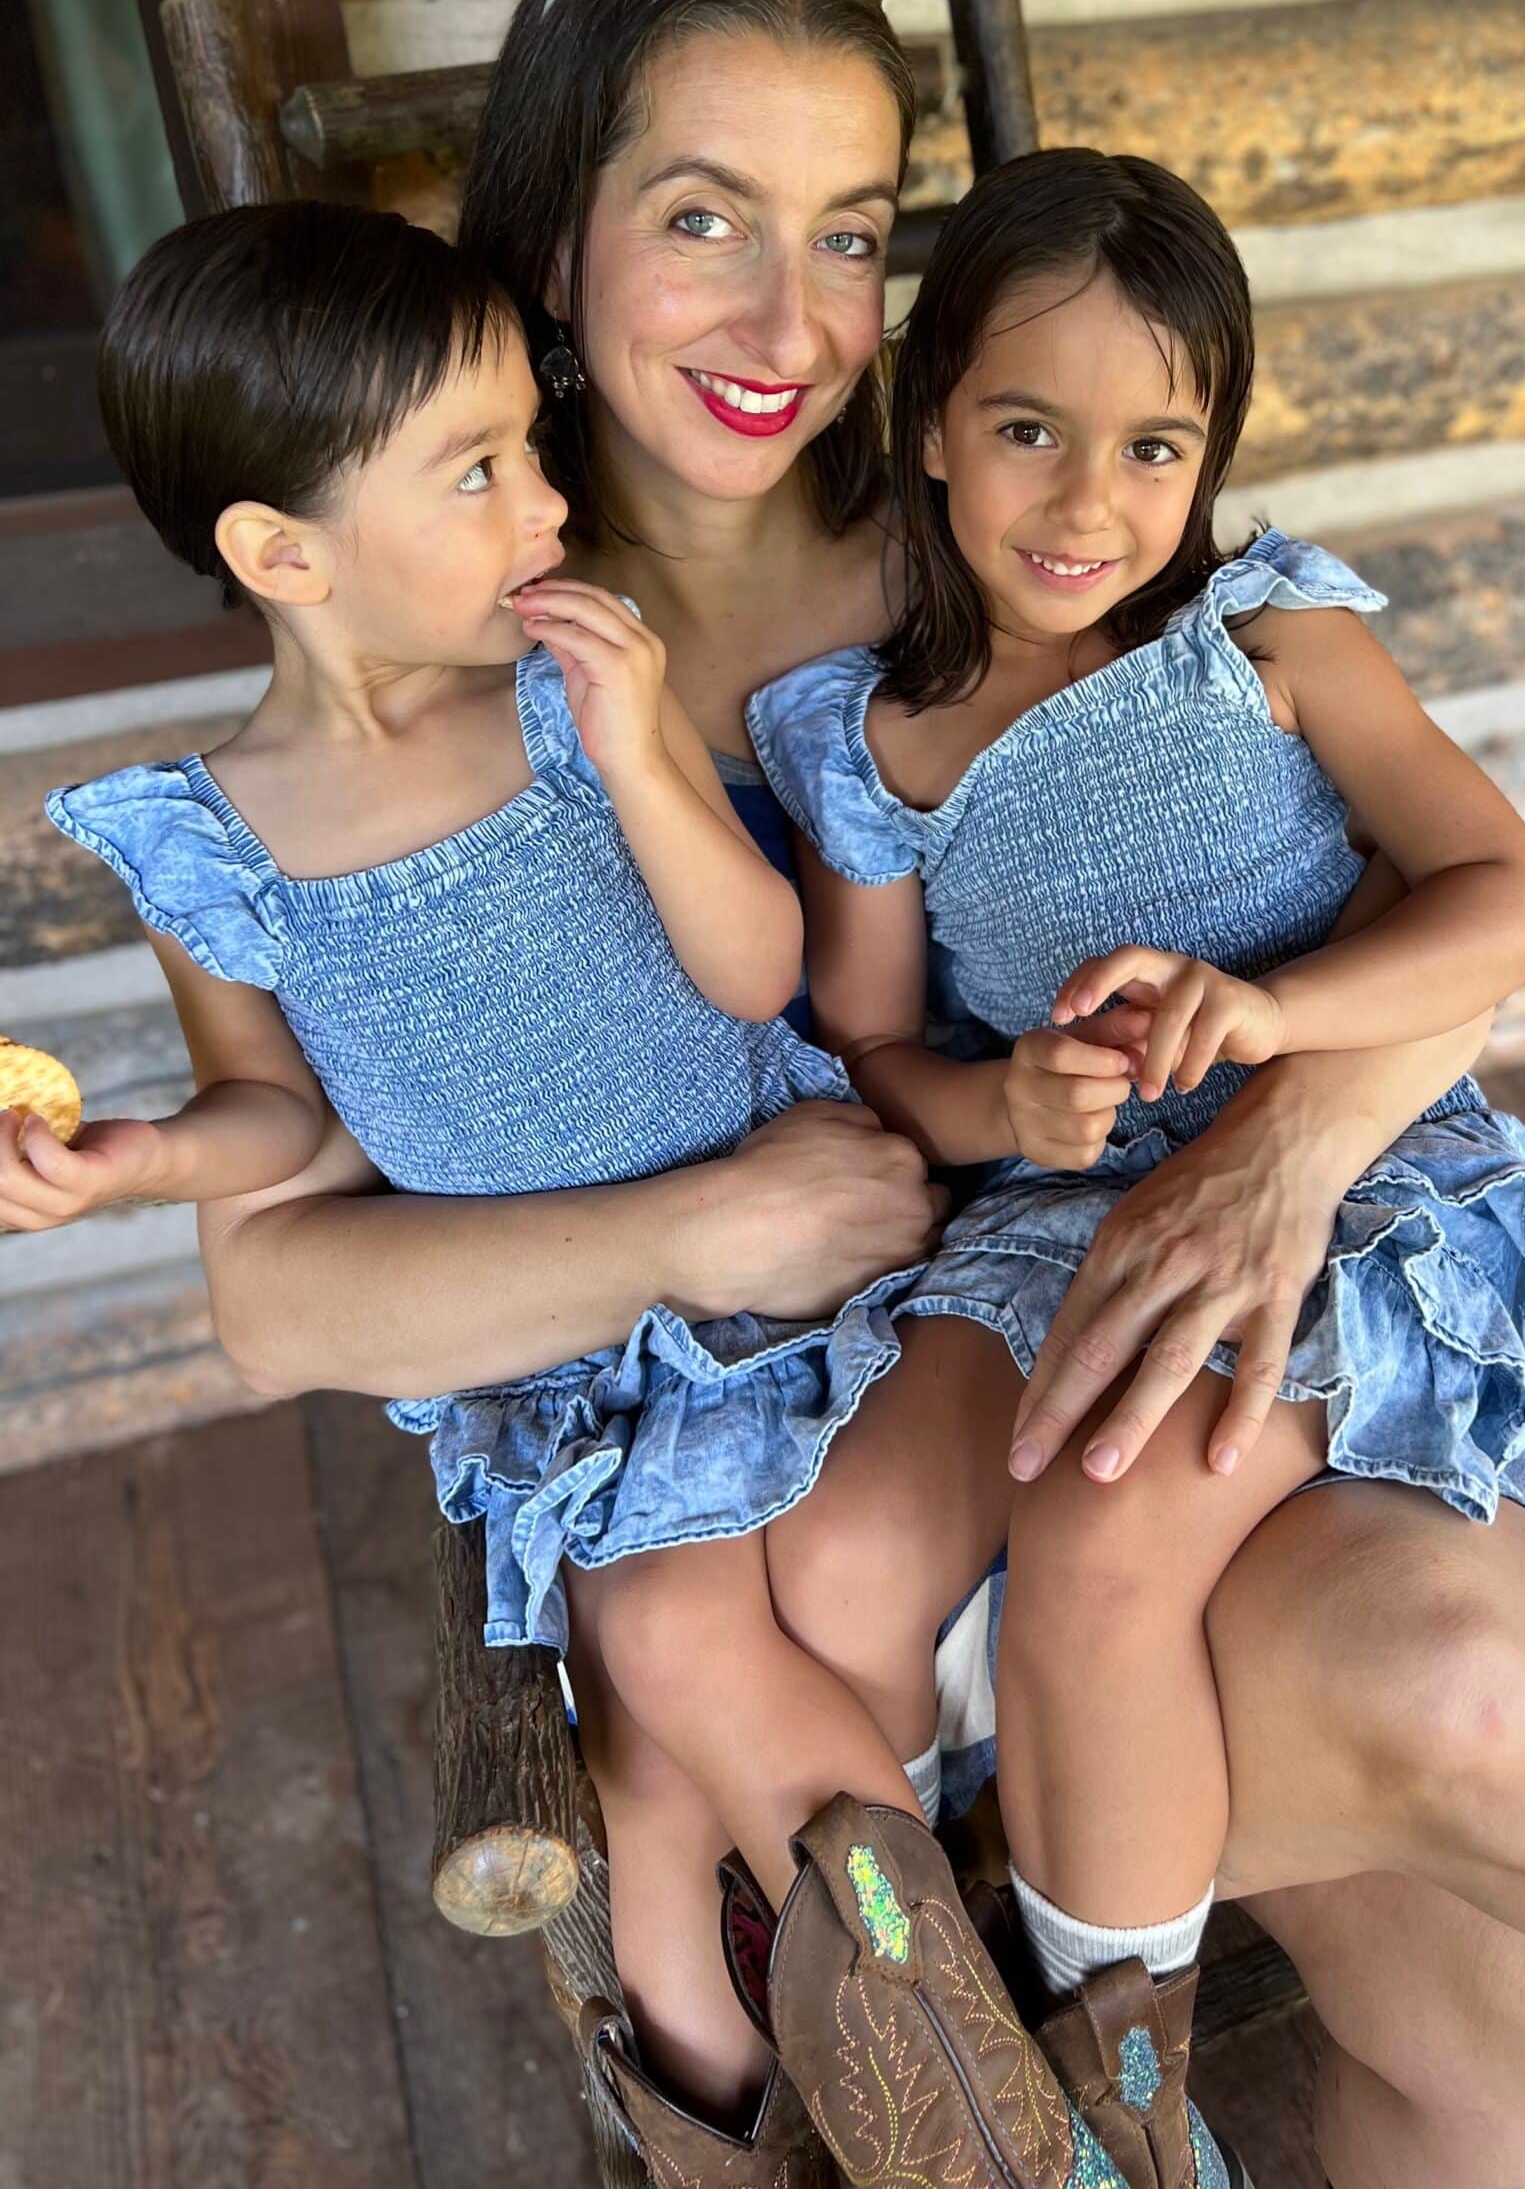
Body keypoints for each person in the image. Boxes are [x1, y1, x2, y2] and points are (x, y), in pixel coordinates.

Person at [82, 0, 1525, 2186]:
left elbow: (1373, 899)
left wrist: (1287, 1143)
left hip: (1143, 1325)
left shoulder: (1022, 542)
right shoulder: (450, 671)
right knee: (1477, 1714)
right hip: (835, 1533)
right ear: (551, 246)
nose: (790, 318)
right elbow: (276, 1280)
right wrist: (705, 1221)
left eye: (851, 233)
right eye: (701, 219)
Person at [15, 201, 1024, 2151]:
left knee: (679, 1695)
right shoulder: (215, 845)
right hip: (580, 1364)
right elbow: (282, 1119)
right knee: (648, 1741)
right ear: (281, 554)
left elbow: (760, 968)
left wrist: (645, 746)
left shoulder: (567, 716)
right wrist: (142, 1157)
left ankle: (951, 2063)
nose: (546, 500)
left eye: (529, 447)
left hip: (808, 1280)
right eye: (477, 470)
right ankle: (772, 2115)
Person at [746, 142, 1525, 2158]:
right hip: (1049, 1205)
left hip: (1349, 1177)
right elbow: (873, 1045)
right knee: (841, 1545)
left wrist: (1286, 1009)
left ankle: (1122, 2090)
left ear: (1207, 454)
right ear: (929, 419)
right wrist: (1001, 1104)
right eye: (1027, 428)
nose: (1087, 501)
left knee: (1114, 1484)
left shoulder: (1270, 640)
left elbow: (1512, 897)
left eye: (1152, 443)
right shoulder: (869, 737)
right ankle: (918, 1994)